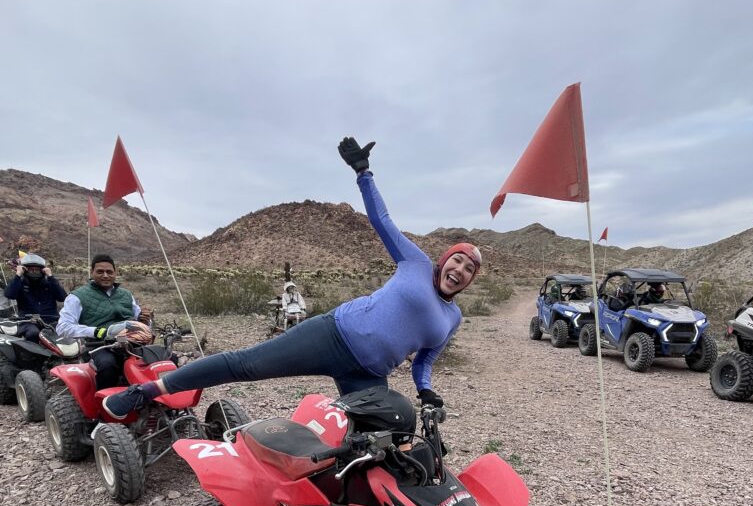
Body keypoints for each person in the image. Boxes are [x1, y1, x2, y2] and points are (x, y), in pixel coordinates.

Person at [102, 137, 481, 420]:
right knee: (245, 365)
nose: (460, 270)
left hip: (368, 374)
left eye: (469, 269)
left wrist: (426, 391)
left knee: (382, 429)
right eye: (458, 260)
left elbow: (424, 361)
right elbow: (382, 222)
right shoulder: (414, 262)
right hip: (332, 336)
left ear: (469, 281)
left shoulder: (452, 319)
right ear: (445, 260)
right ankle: (146, 391)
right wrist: (364, 173)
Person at [57, 254, 153, 389]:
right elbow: (63, 327)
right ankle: (105, 404)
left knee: (165, 358)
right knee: (108, 365)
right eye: (100, 272)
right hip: (99, 345)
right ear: (92, 273)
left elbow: (140, 321)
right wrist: (97, 331)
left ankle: (163, 403)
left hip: (131, 343)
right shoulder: (77, 296)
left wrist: (145, 320)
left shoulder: (126, 294)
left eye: (109, 272)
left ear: (115, 273)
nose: (105, 275)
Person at [3, 254, 67, 340]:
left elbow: (62, 297)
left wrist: (51, 277)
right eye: (30, 269)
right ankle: (29, 353)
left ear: (43, 270)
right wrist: (18, 275)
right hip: (27, 321)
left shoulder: (50, 283)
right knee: (32, 333)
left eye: (37, 270)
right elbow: (9, 294)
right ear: (24, 270)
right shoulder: (20, 283)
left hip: (51, 320)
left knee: (61, 335)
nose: (34, 272)